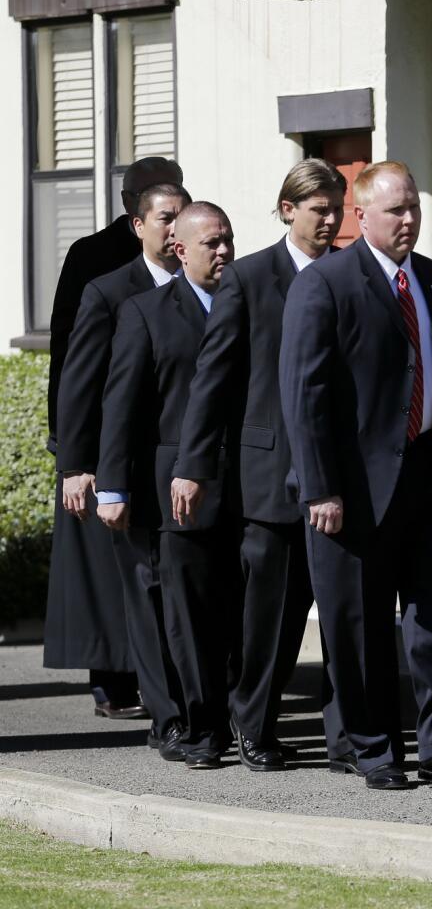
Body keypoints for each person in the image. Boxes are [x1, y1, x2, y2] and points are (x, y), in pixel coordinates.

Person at [280, 161, 432, 791]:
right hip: (353, 485)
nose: (408, 221)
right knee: (359, 623)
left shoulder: (429, 279)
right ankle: (372, 747)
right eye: (396, 211)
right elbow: (304, 393)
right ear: (360, 215)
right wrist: (320, 486)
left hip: (426, 473)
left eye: (414, 210)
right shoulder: (325, 284)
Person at [175, 160, 348, 772]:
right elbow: (212, 380)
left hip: (339, 475)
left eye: (335, 208)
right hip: (270, 477)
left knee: (338, 610)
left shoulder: (352, 275)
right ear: (287, 210)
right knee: (270, 615)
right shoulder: (249, 279)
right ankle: (253, 725)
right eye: (317, 209)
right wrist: (193, 464)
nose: (329, 220)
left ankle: (348, 737)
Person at [98, 202, 239, 769]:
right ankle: (189, 721)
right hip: (172, 490)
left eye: (228, 239)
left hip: (241, 483)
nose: (225, 250)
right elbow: (122, 405)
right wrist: (112, 486)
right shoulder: (147, 312)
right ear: (182, 250)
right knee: (182, 613)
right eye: (212, 243)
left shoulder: (245, 303)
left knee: (235, 611)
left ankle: (229, 719)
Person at [43, 156, 183, 719]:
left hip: (167, 440)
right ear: (134, 209)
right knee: (109, 569)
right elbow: (69, 359)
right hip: (104, 437)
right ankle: (114, 680)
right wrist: (72, 454)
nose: (172, 220)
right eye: (158, 205)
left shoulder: (195, 253)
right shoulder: (94, 259)